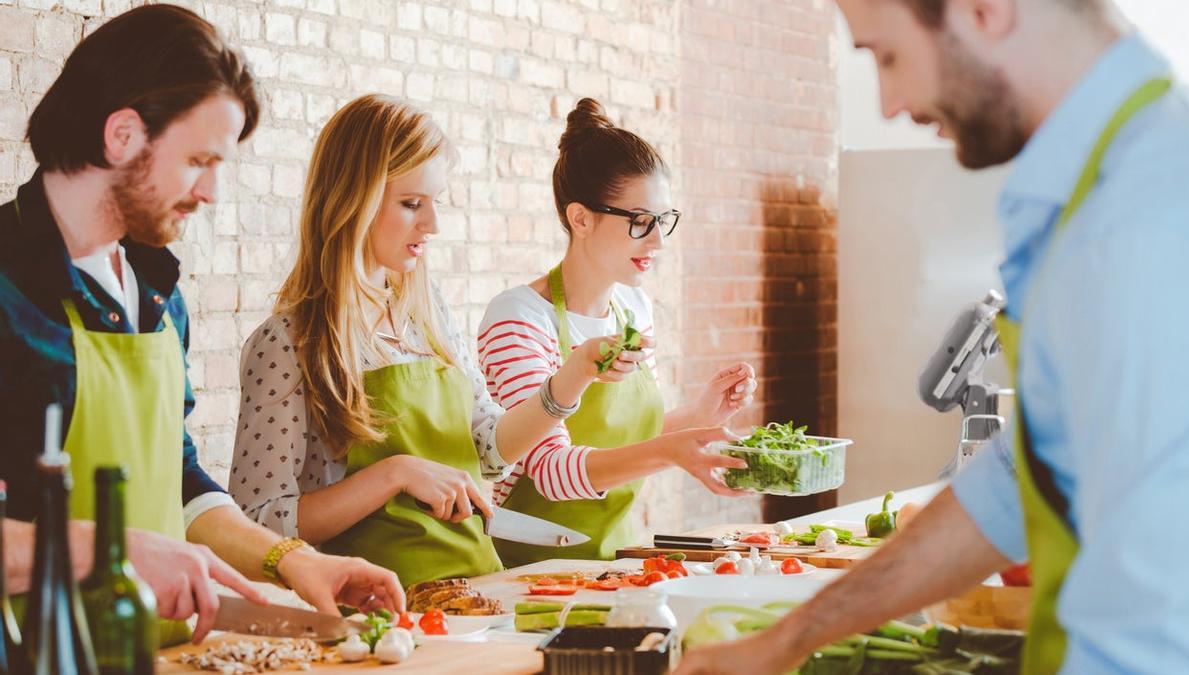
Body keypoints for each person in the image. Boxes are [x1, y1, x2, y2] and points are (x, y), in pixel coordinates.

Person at [677, 0, 1189, 673]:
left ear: (985, 10)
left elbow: (1154, 625)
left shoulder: (1140, 221)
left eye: (886, 57)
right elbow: (1011, 485)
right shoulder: (1093, 197)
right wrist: (785, 640)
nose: (889, 104)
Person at [0, 5, 404, 645]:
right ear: (123, 136)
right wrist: (112, 551)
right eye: (198, 160)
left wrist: (297, 562)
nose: (213, 191)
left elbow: (178, 476)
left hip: (162, 654)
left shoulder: (157, 293)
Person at [228, 94, 687, 588]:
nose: (433, 225)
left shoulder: (429, 317)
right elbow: (257, 524)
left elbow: (490, 451)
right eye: (411, 204)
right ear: (352, 198)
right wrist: (394, 474)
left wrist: (572, 377)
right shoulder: (288, 343)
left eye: (435, 203)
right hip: (379, 611)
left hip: (476, 593)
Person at [476, 98, 757, 566]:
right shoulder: (519, 319)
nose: (658, 241)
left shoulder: (632, 307)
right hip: (530, 568)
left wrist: (701, 412)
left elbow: (628, 439)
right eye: (640, 221)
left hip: (616, 558)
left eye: (663, 220)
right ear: (580, 218)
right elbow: (548, 472)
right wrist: (671, 453)